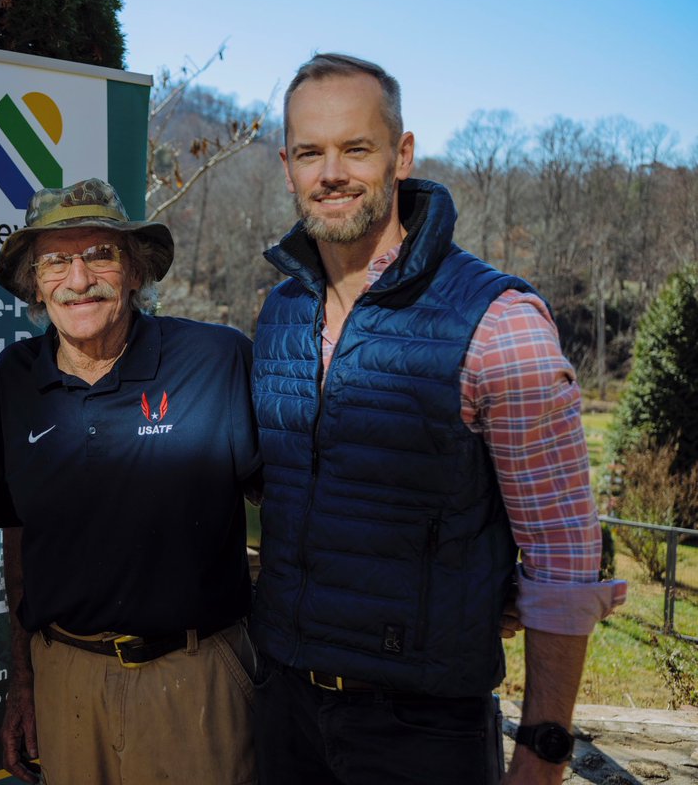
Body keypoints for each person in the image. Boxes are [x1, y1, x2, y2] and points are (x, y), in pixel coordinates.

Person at [250, 54, 626, 785]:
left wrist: (541, 755)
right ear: (286, 166)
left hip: (420, 729)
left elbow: (562, 558)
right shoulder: (281, 312)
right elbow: (287, 490)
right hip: (282, 708)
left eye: (356, 148)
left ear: (402, 155)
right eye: (309, 152)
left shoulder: (498, 323)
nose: (331, 173)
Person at [0, 178, 261, 784]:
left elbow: (290, 513)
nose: (79, 278)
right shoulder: (15, 378)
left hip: (194, 678)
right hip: (65, 678)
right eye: (55, 261)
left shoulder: (215, 360)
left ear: (136, 270)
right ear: (34, 283)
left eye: (100, 254)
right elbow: (18, 537)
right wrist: (23, 681)